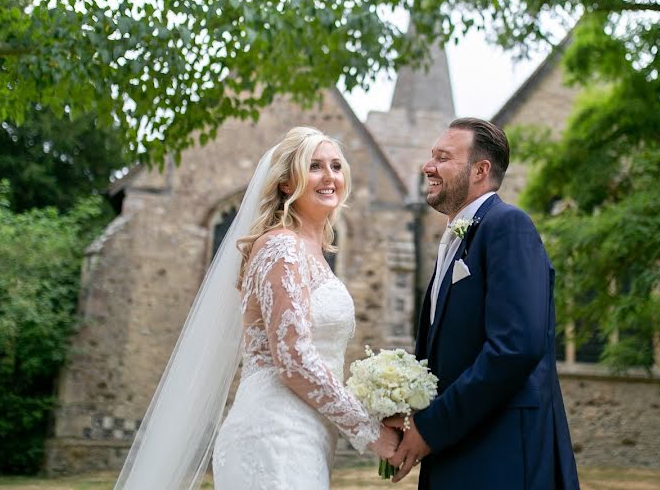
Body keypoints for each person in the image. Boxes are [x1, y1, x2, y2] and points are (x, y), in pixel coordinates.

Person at [114, 127, 398, 490]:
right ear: (285, 183)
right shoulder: (281, 246)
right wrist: (369, 432)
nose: (330, 177)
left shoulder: (314, 254)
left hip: (307, 433)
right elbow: (293, 358)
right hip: (274, 433)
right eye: (314, 166)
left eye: (336, 166)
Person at [386, 118, 579, 489]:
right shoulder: (460, 237)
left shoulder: (508, 226)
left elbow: (515, 348)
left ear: (480, 170)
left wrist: (431, 427)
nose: (428, 167)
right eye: (431, 157)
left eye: (442, 158)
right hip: (460, 449)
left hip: (499, 456)